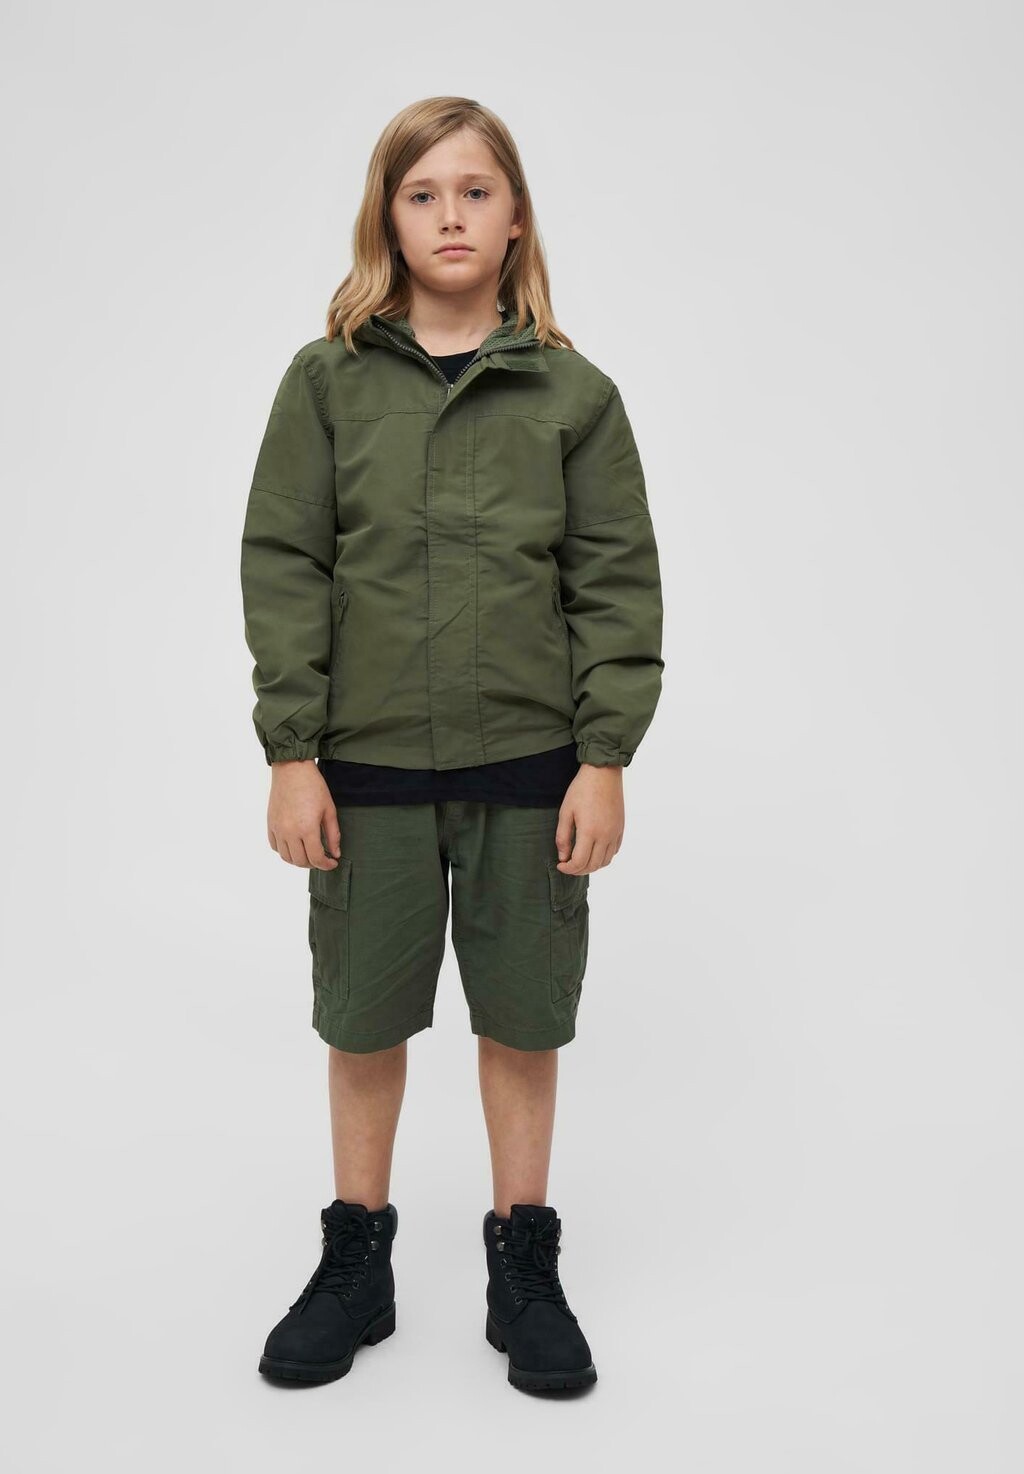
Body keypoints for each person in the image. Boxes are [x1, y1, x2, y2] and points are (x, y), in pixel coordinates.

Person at [240, 95, 665, 1394]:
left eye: (476, 191)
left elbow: (614, 583)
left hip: (531, 766)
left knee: (524, 1020)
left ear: (516, 213)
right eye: (422, 194)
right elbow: (285, 564)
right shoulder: (325, 384)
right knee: (362, 1018)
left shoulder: (574, 395)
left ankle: (522, 1265)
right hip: (363, 766)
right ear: (388, 217)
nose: (451, 217)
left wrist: (605, 757)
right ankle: (355, 1263)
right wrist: (291, 751)